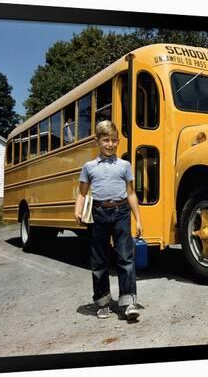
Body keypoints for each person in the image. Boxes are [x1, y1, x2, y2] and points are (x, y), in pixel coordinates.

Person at [74, 120, 143, 321]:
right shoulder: (89, 167)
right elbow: (82, 193)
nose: (110, 144)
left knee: (125, 258)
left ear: (118, 142)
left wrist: (138, 219)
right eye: (106, 140)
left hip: (121, 212)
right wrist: (77, 210)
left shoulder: (125, 165)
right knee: (99, 261)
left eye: (114, 140)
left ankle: (129, 302)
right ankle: (103, 302)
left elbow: (131, 194)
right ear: (98, 141)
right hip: (98, 214)